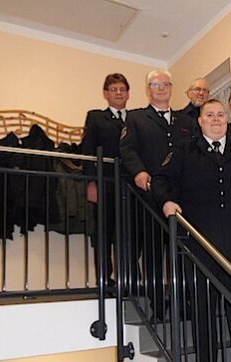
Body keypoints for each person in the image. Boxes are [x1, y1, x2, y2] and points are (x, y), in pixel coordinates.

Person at [152, 99, 231, 362]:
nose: (216, 119)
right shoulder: (185, 150)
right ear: (199, 121)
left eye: (220, 115)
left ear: (227, 119)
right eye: (209, 115)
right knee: (203, 308)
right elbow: (159, 181)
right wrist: (167, 202)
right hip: (199, 243)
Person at [119, 69, 193, 320]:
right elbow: (127, 150)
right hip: (150, 197)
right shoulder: (136, 118)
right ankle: (158, 307)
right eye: (155, 84)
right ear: (148, 89)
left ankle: (183, 305)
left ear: (172, 88)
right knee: (153, 255)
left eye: (165, 84)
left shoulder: (186, 122)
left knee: (183, 254)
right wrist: (139, 172)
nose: (161, 89)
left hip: (182, 198)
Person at [81, 73, 130, 288]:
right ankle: (105, 280)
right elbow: (88, 151)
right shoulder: (95, 117)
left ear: (128, 93)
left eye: (122, 89)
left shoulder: (136, 118)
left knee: (128, 234)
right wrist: (92, 183)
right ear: (106, 94)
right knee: (104, 233)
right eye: (113, 89)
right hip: (105, 183)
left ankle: (128, 279)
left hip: (129, 186)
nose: (118, 93)